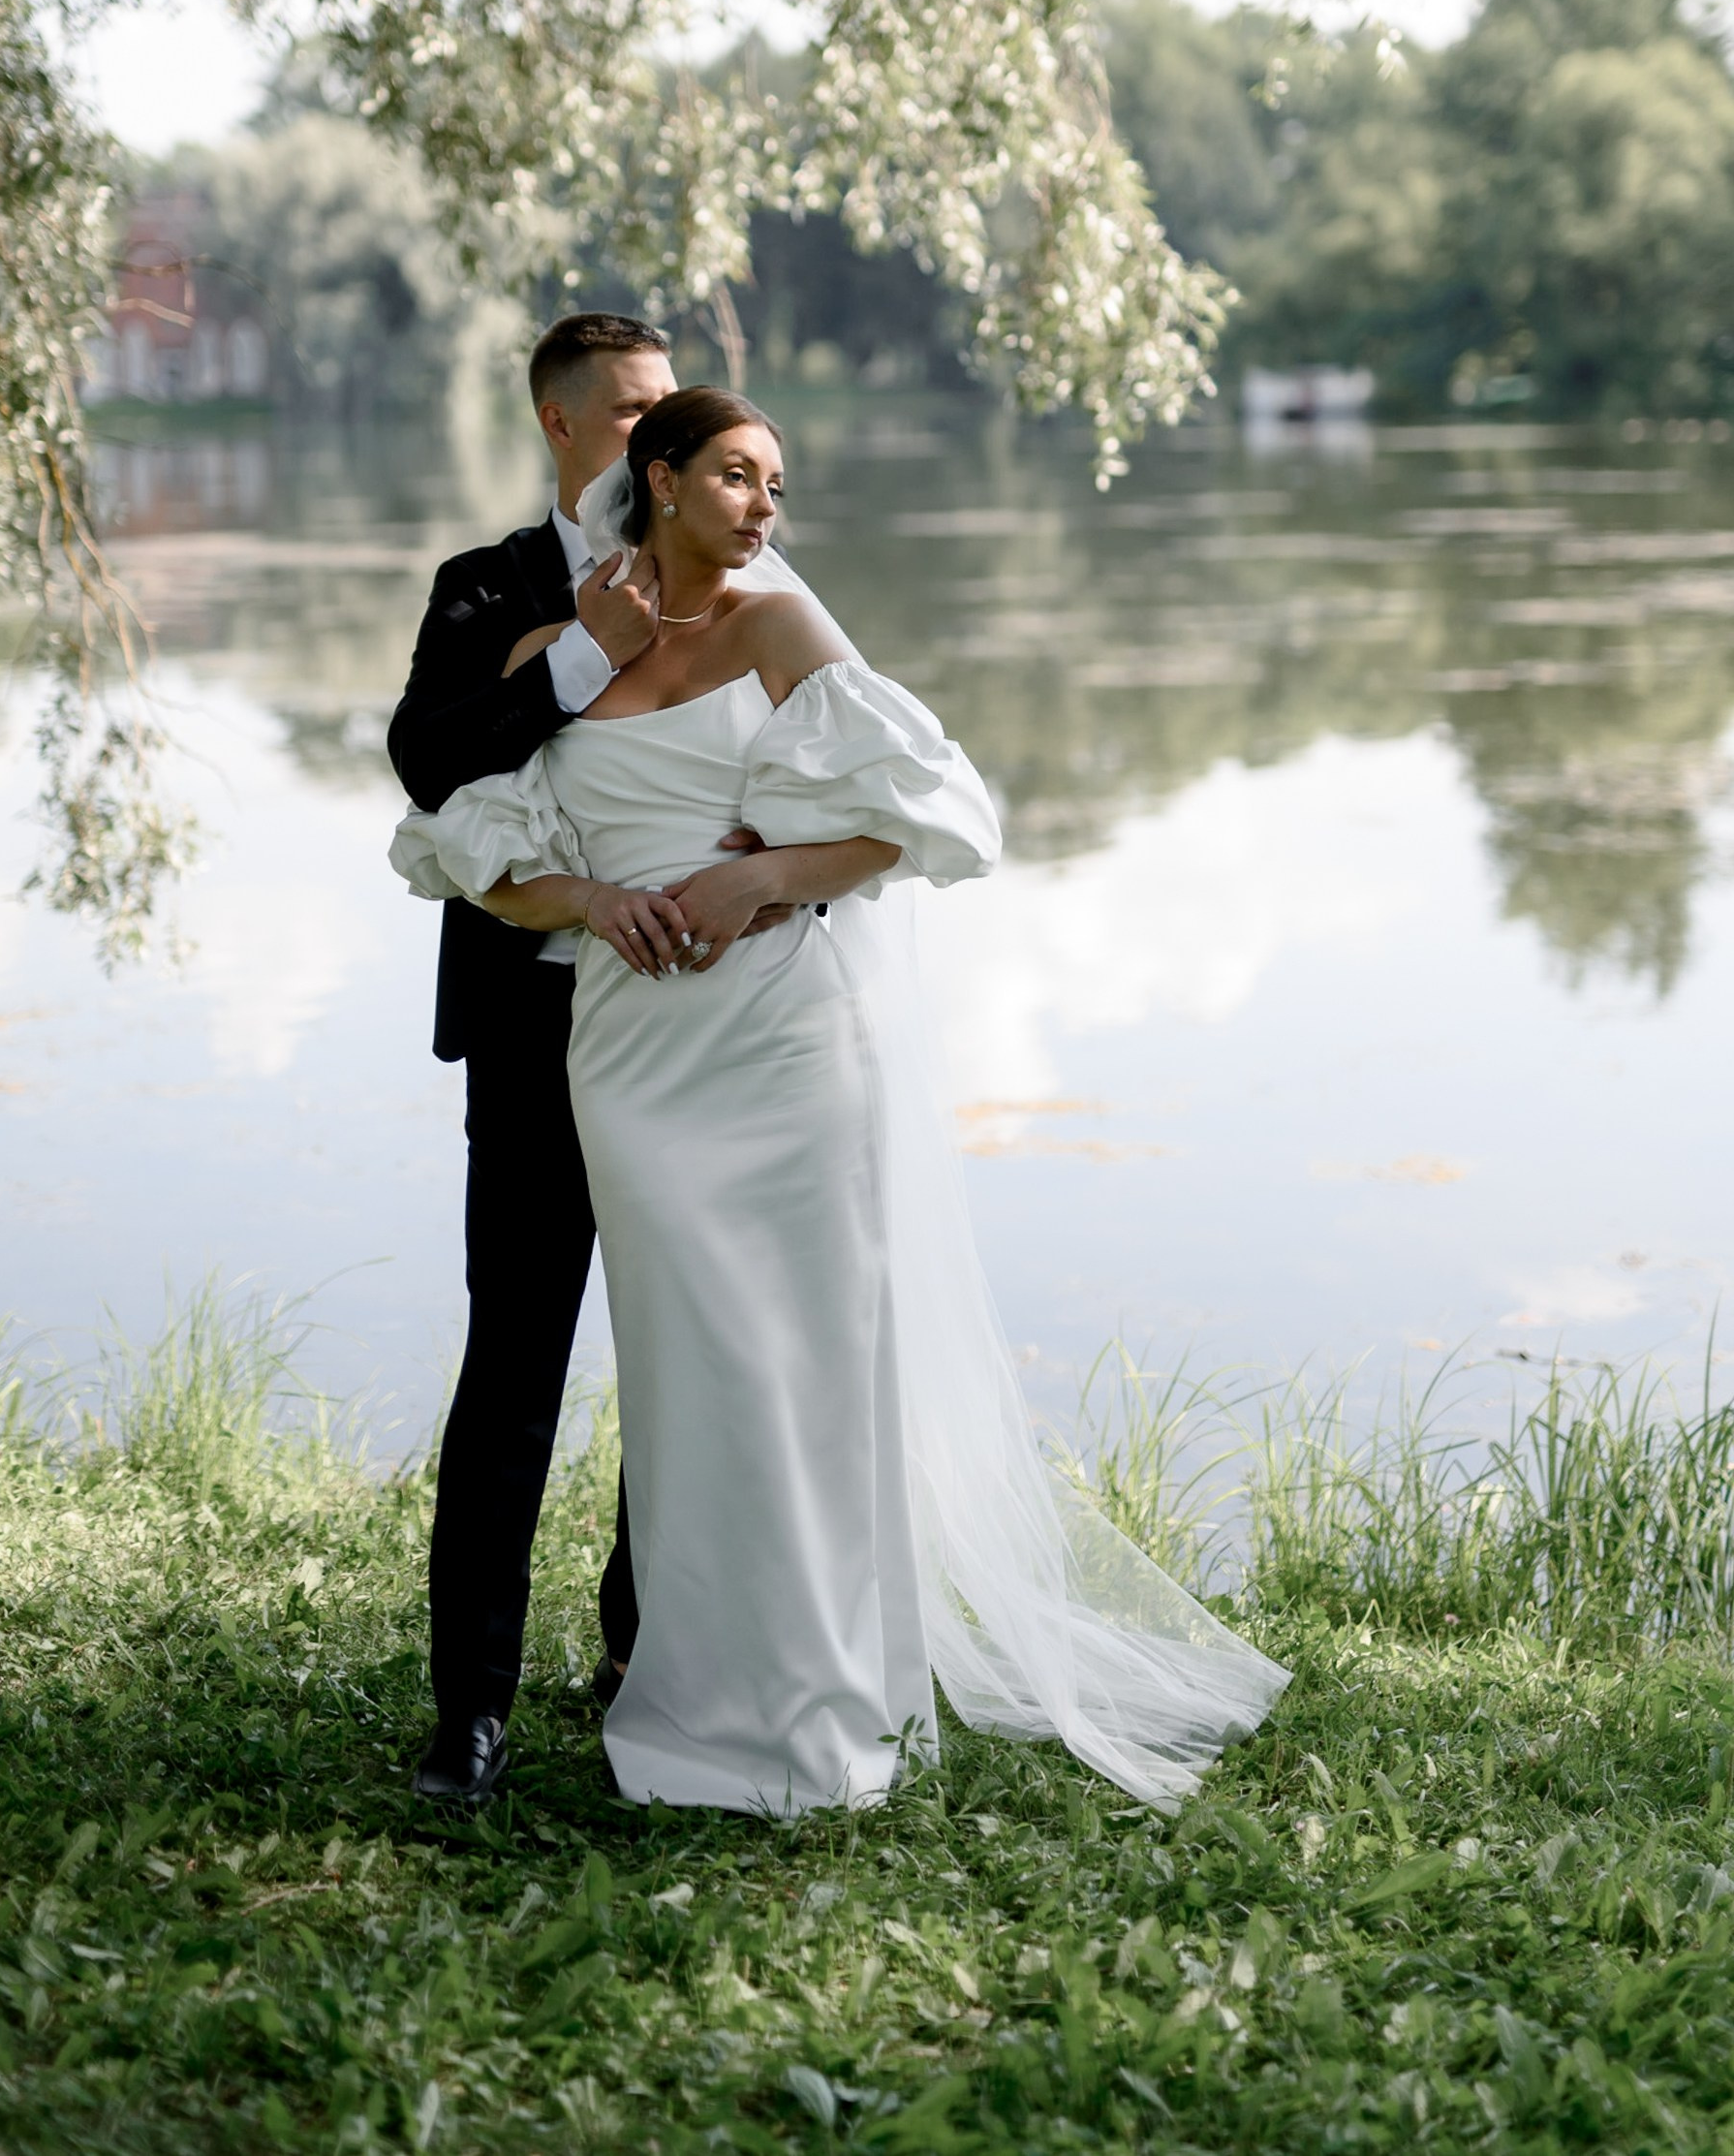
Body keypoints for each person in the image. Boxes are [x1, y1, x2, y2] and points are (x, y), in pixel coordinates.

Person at [393, 387, 1290, 1816]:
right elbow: (465, 846)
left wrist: (763, 875)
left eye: (778, 486)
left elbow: (938, 814)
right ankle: (683, 1696)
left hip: (785, 1044)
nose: (764, 507)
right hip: (628, 1055)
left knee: (796, 1371)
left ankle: (812, 1704)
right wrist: (599, 900)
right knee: (690, 1382)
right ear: (661, 478)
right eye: (739, 477)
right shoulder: (544, 649)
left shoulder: (783, 632)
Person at [388, 314, 714, 1808]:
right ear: (566, 428)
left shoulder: (733, 585)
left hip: (695, 1039)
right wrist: (589, 649)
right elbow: (431, 760)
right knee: (514, 1370)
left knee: (688, 1361)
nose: (663, 440)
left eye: (677, 416)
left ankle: (642, 1649)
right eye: (639, 414)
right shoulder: (483, 588)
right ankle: (470, 1712)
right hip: (529, 1041)